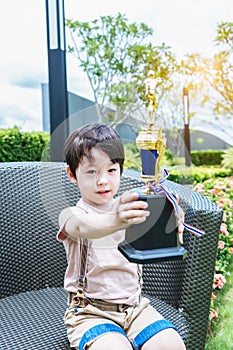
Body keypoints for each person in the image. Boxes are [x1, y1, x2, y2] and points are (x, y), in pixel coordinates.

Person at [57, 123, 186, 350]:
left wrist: (171, 213)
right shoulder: (72, 215)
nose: (103, 180)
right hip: (90, 312)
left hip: (135, 308)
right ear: (72, 174)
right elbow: (82, 226)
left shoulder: (128, 208)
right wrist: (116, 220)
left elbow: (161, 218)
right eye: (91, 171)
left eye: (111, 170)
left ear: (121, 170)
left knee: (171, 344)